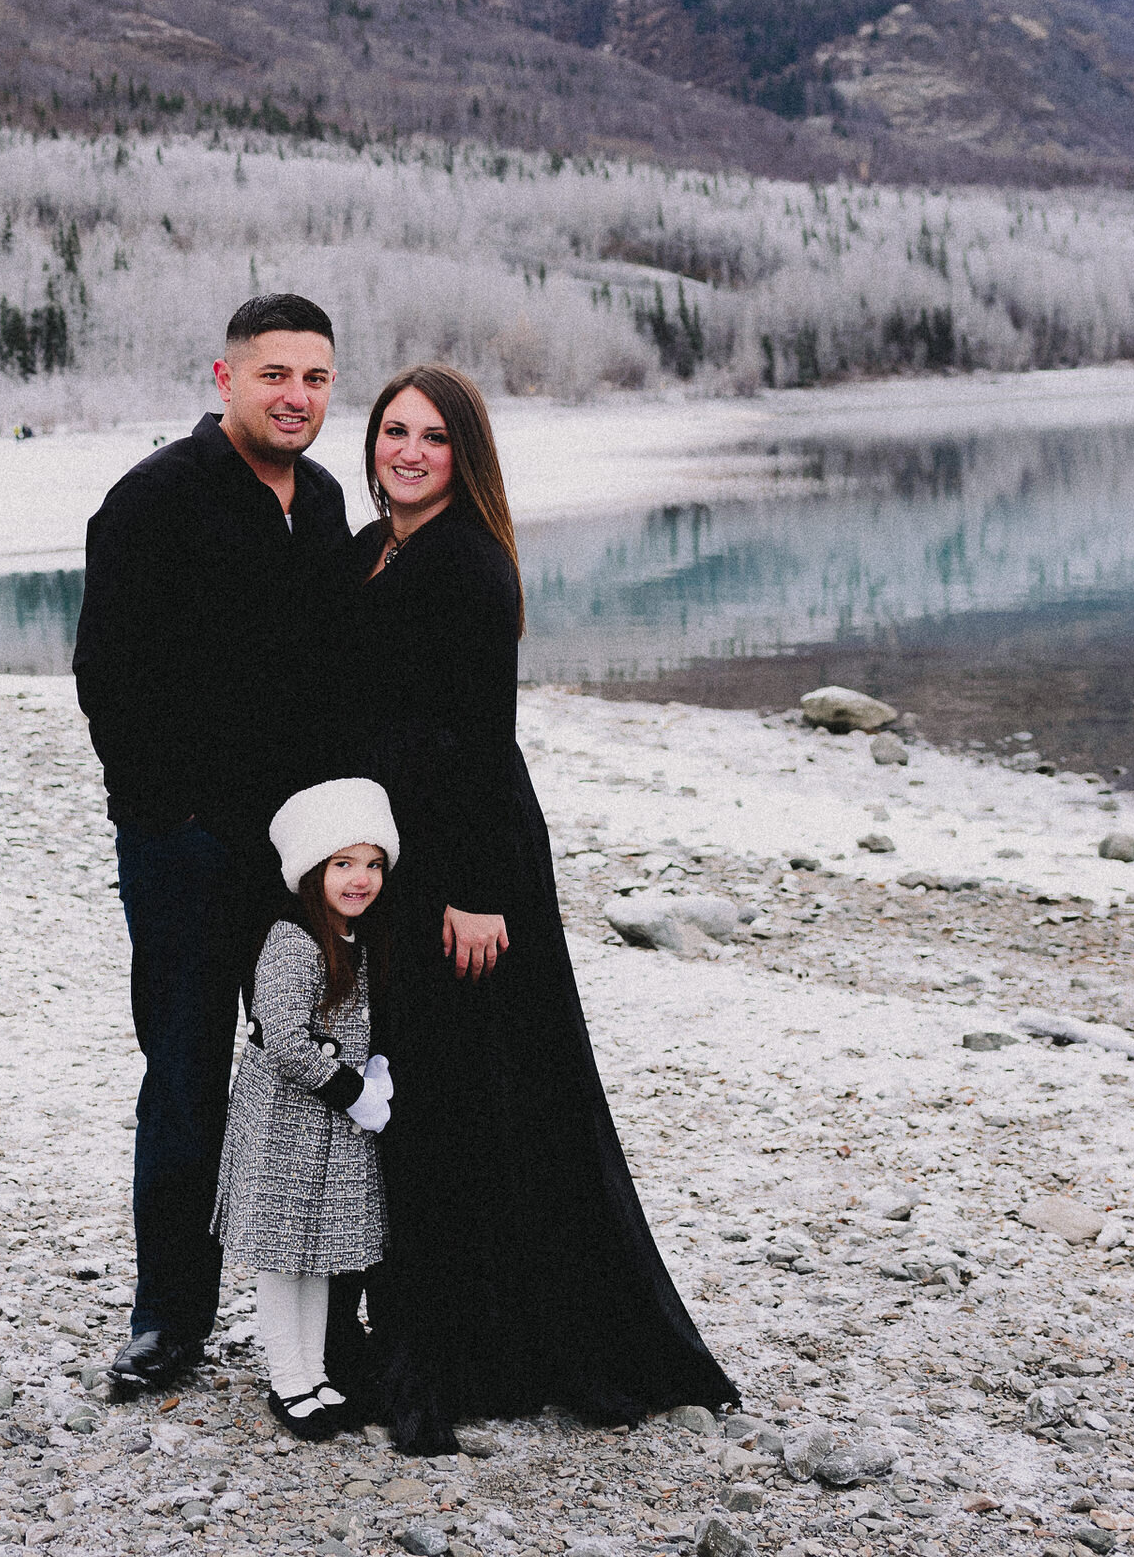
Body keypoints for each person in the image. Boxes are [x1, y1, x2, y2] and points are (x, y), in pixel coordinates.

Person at [348, 363, 738, 1453]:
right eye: (392, 432)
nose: (407, 450)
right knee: (437, 1088)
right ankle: (453, 1322)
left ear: (462, 452)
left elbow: (481, 734)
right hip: (393, 841)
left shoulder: (467, 563)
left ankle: (487, 1344)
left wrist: (472, 894)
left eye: (430, 435)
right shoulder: (372, 547)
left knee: (481, 1089)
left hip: (464, 853)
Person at [74, 293, 352, 1400]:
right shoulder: (152, 499)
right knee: (186, 1077)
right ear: (223, 377)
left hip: (304, 855)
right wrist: (166, 819)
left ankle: (328, 1322)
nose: (295, 396)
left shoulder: (324, 501)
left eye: (317, 379)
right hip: (188, 850)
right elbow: (107, 676)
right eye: (274, 374)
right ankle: (168, 1322)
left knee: (317, 1069)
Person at [211, 778, 397, 1440]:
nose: (360, 878)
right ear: (312, 869)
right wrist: (354, 1090)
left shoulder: (358, 938)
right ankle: (287, 1379)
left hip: (330, 1127)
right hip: (288, 1123)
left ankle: (316, 1372)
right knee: (284, 1256)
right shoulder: (293, 941)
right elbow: (284, 1037)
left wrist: (371, 1069)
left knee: (319, 1254)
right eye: (343, 864)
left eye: (373, 864)